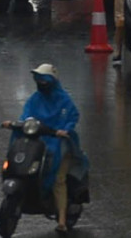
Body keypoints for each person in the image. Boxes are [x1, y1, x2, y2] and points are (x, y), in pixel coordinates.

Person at [13, 64, 87, 234]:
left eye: (44, 79)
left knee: (58, 178)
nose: (40, 82)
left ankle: (61, 221)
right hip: (37, 141)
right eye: (38, 79)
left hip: (60, 143)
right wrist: (16, 124)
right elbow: (26, 116)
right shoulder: (34, 99)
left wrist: (65, 130)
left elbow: (73, 116)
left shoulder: (64, 100)